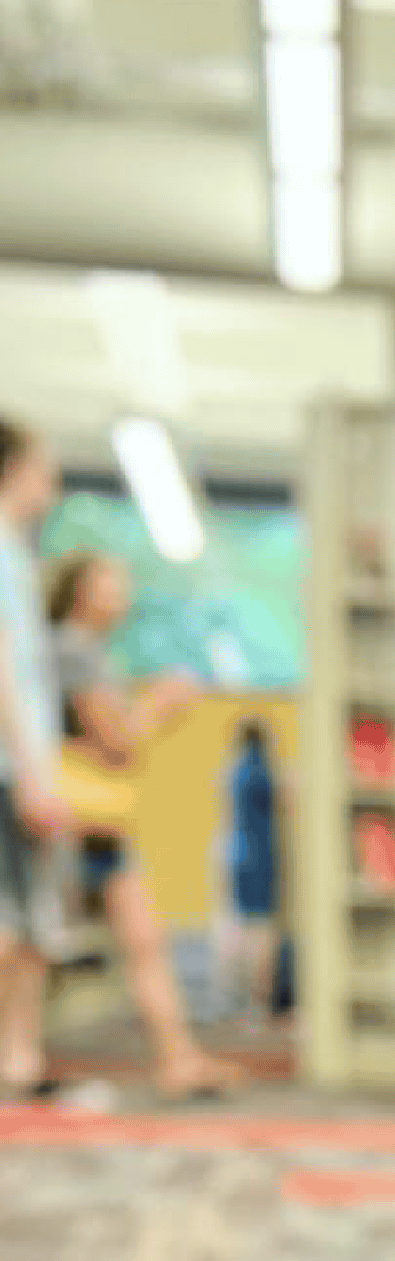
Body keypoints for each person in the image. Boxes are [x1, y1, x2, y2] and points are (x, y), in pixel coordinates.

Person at [47, 549, 241, 1097]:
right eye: (113, 579)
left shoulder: (90, 654)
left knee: (142, 939)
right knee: (26, 947)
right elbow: (118, 744)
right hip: (74, 819)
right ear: (82, 590)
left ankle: (178, 1058)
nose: (124, 590)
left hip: (99, 821)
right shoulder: (72, 651)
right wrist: (160, 706)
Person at [0, 418, 72, 1097]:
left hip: (21, 760)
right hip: (10, 764)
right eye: (44, 471)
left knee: (24, 921)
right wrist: (29, 771)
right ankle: (15, 1056)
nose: (50, 488)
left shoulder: (17, 554)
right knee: (15, 920)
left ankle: (20, 1058)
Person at [224, 718, 283, 1021]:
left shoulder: (233, 771)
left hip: (237, 856)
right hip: (259, 858)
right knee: (262, 931)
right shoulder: (260, 771)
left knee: (242, 927)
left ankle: (238, 1000)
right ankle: (258, 1002)